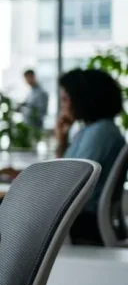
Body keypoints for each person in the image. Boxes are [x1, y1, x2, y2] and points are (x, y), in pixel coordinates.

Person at [55, 69, 125, 245]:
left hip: (82, 220)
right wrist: (62, 140)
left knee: (6, 209)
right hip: (78, 216)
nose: (63, 105)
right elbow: (64, 174)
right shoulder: (90, 131)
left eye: (66, 99)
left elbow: (69, 182)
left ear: (82, 99)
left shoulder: (101, 132)